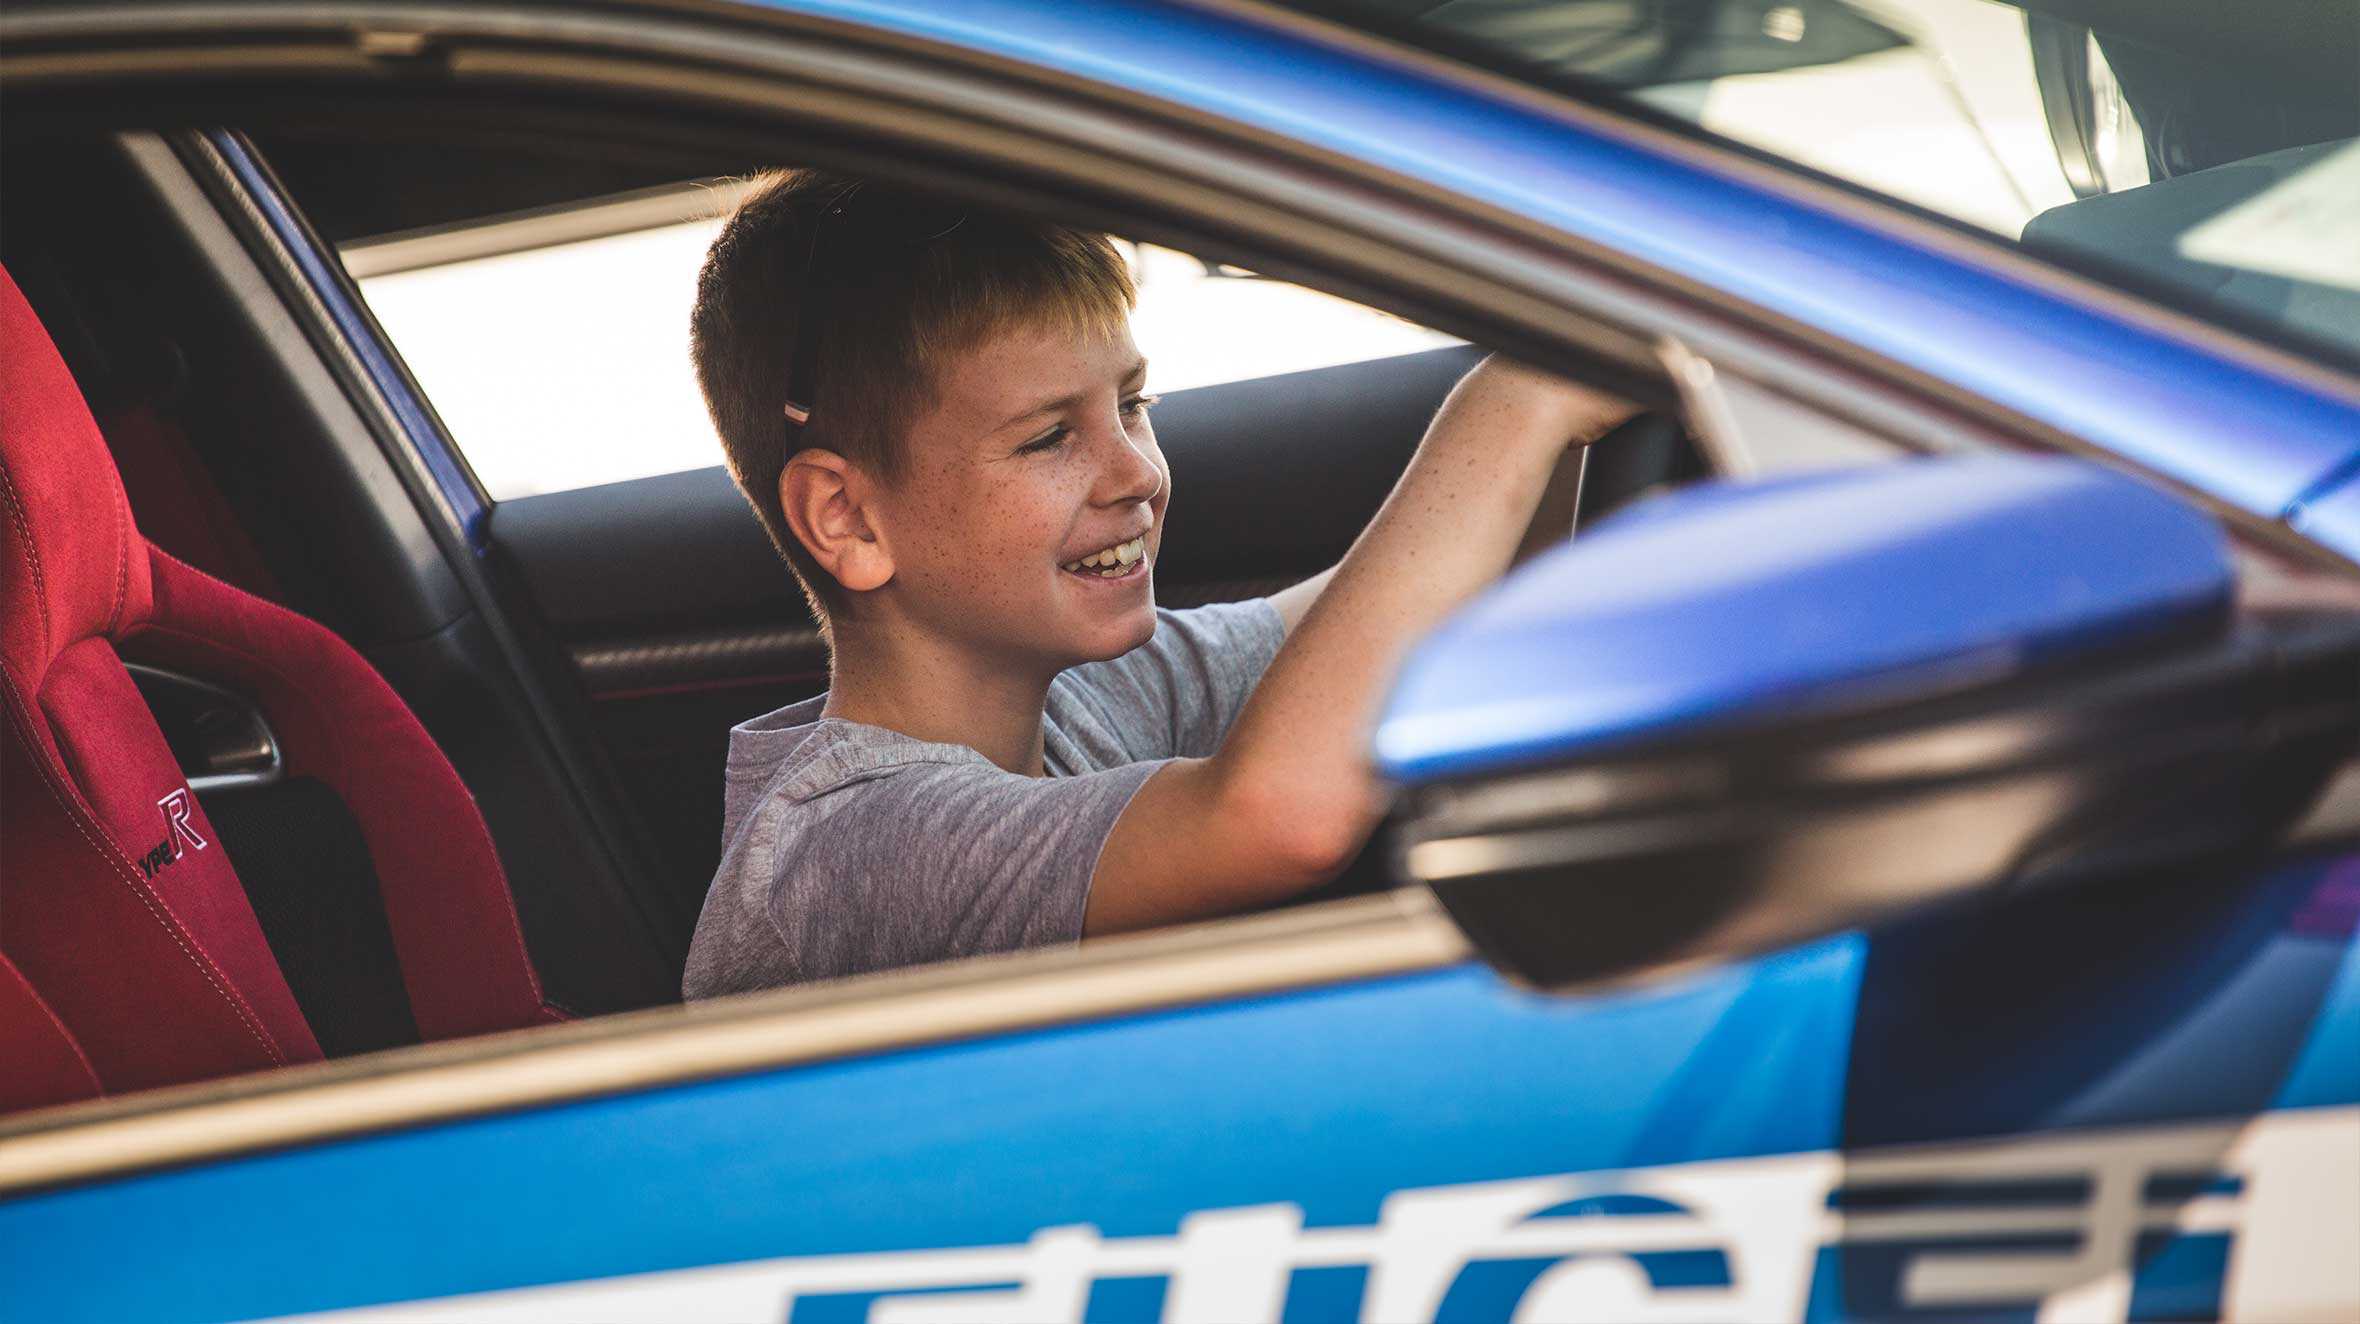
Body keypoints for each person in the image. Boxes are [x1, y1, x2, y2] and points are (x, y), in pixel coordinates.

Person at [680, 170, 1635, 998]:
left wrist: (1580, 382)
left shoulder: (1084, 696)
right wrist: (1517, 399)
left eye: (1132, 406)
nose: (1136, 471)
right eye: (1050, 436)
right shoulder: (848, 854)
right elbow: (1279, 818)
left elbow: (1413, 609)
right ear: (847, 520)